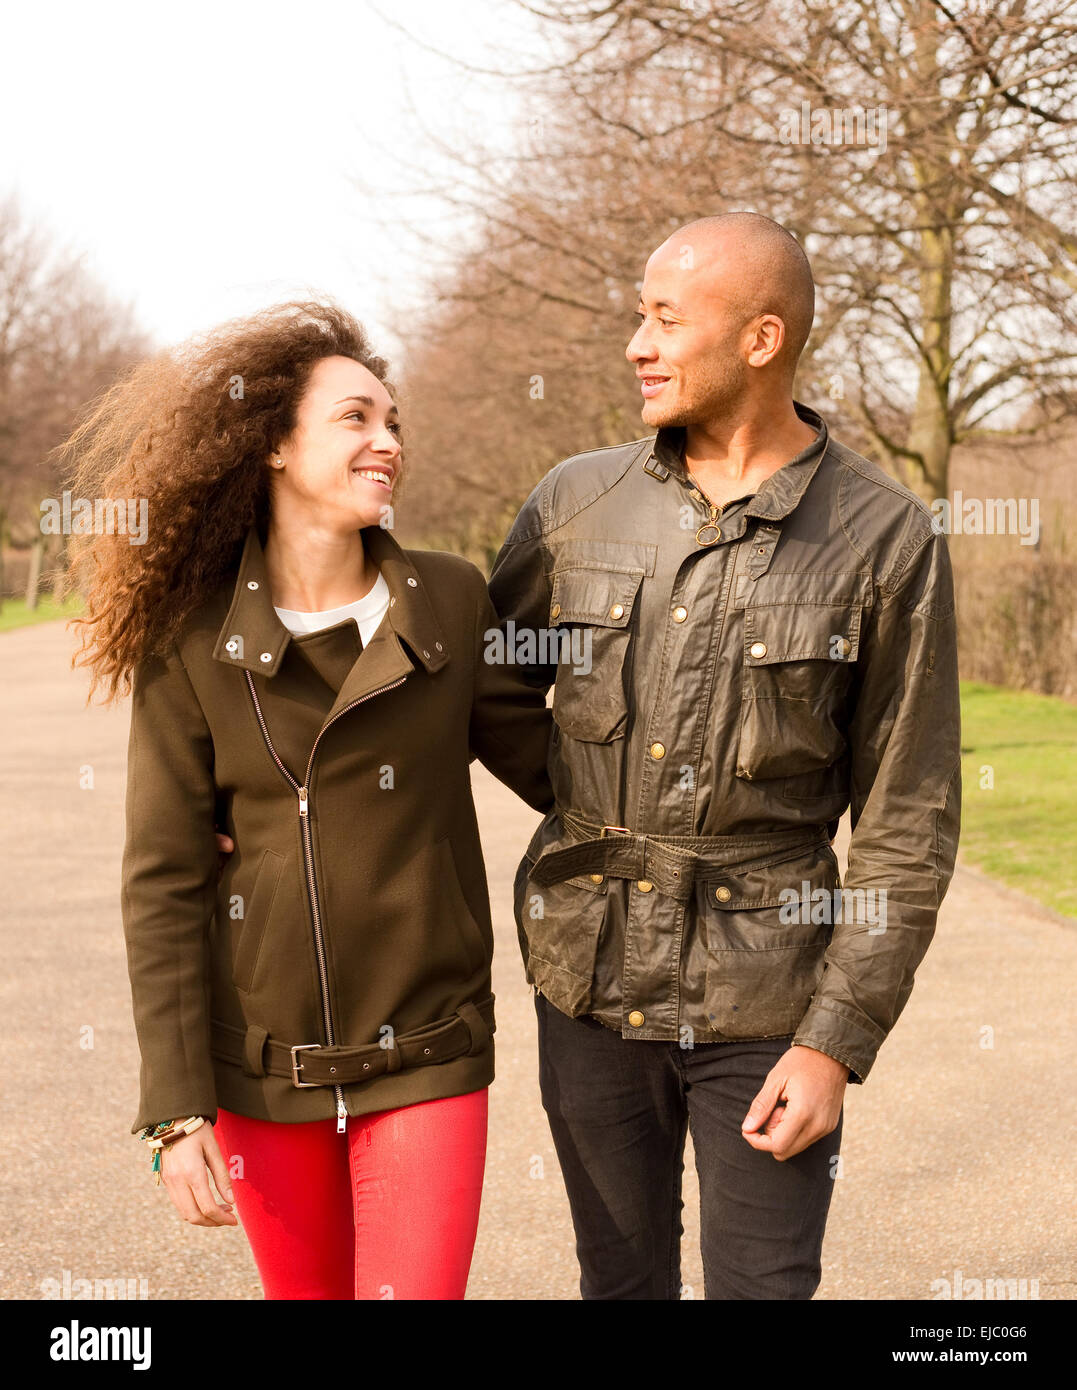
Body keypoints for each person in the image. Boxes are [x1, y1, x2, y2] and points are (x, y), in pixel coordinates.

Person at [489, 212, 961, 1299]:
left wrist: (835, 1041)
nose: (636, 345)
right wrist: (585, 803)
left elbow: (910, 813)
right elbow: (479, 686)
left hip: (772, 1001)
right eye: (636, 318)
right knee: (620, 1284)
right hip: (591, 980)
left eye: (664, 318)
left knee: (767, 1288)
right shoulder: (574, 502)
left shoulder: (887, 537)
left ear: (760, 339)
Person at [65, 300, 554, 1300]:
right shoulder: (192, 642)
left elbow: (562, 772)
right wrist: (176, 1107)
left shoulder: (453, 600)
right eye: (356, 419)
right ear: (276, 446)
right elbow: (162, 882)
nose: (389, 442)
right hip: (261, 1074)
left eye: (394, 421)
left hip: (427, 1054)